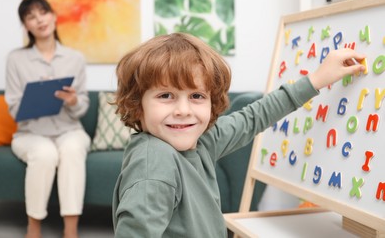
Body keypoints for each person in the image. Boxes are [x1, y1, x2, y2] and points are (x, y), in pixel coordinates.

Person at [111, 32, 365, 237]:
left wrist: (317, 79)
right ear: (137, 105)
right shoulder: (154, 162)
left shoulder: (201, 142)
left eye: (197, 96)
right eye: (166, 96)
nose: (183, 110)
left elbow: (253, 117)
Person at [5, 0, 90, 238]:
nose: (39, 19)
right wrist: (36, 99)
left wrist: (73, 101)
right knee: (44, 153)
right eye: (31, 16)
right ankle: (34, 229)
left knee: (73, 149)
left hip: (69, 130)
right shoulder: (16, 59)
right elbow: (13, 108)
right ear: (26, 26)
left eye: (43, 12)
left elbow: (82, 106)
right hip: (30, 133)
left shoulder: (75, 58)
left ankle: (70, 231)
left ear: (53, 16)